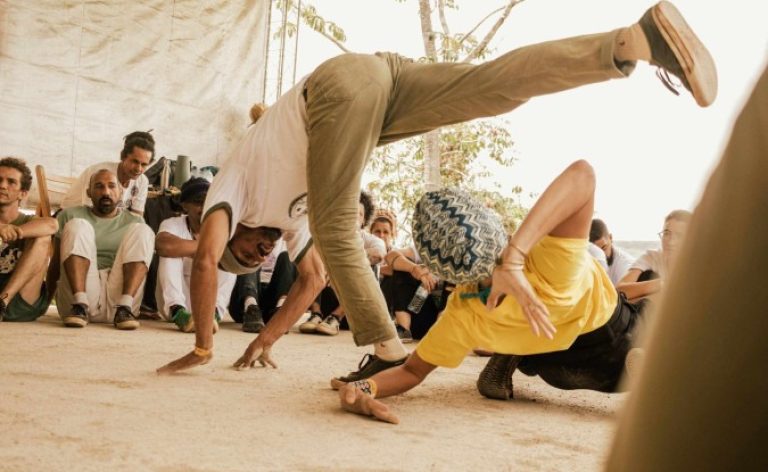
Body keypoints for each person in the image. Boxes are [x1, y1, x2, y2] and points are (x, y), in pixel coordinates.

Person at [157, 1, 717, 376]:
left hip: (332, 93)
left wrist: (205, 345)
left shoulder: (232, 186)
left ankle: (385, 350)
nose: (258, 254)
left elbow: (205, 262)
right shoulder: (288, 221)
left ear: (231, 232)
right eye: (255, 259)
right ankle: (626, 45)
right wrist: (267, 339)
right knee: (491, 88)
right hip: (382, 80)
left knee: (336, 228)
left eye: (245, 251)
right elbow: (312, 281)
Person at [337, 160, 644, 423]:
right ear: (495, 224)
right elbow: (583, 174)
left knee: (525, 340)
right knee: (659, 331)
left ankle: (508, 356)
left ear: (444, 272)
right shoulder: (548, 258)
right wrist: (514, 256)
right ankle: (652, 364)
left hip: (553, 365)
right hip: (614, 338)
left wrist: (363, 390)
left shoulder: (462, 309)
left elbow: (412, 371)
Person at [606, 63, 768, 471]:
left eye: (677, 234)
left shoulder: (706, 266)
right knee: (646, 301)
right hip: (641, 317)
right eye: (664, 232)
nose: (668, 239)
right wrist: (661, 287)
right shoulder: (651, 260)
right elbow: (623, 292)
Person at [48, 169, 154, 329]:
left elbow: (144, 263)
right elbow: (56, 262)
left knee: (143, 230)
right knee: (78, 225)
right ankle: (80, 304)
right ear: (88, 192)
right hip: (77, 302)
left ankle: (126, 308)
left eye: (112, 186)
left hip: (120, 300)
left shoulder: (134, 220)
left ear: (120, 192)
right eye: (99, 186)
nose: (106, 192)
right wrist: (45, 299)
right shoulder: (69, 215)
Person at [299, 191, 386, 336]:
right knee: (313, 257)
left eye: (358, 213)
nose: (353, 217)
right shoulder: (326, 237)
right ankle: (316, 314)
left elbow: (378, 254)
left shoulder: (372, 240)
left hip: (356, 307)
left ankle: (336, 317)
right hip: (328, 298)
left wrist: (337, 269)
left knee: (366, 263)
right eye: (350, 212)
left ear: (364, 219)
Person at [155, 177, 236, 332]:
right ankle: (178, 313)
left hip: (208, 301)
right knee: (170, 252)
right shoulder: (172, 224)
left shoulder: (222, 227)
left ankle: (214, 315)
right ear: (185, 206)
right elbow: (163, 246)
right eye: (198, 202)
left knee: (229, 259)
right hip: (176, 300)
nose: (205, 207)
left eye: (209, 202)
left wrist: (192, 249)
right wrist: (210, 248)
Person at [0, 157, 58, 322]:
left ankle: (2, 301)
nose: (3, 185)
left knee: (42, 237)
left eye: (11, 182)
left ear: (23, 193)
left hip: (21, 298)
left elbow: (52, 225)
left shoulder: (28, 221)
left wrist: (15, 231)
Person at [61, 131, 155, 215]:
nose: (138, 169)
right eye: (135, 161)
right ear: (123, 156)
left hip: (106, 222)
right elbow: (91, 213)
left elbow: (137, 216)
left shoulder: (142, 181)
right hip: (73, 216)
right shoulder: (99, 173)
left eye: (144, 164)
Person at [616, 210, 690, 304]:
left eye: (679, 236)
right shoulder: (652, 257)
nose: (671, 242)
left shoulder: (697, 266)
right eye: (666, 233)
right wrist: (661, 283)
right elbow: (619, 290)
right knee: (647, 276)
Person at [229, 238, 297, 333]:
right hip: (243, 301)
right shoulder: (253, 234)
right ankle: (251, 308)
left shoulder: (290, 239)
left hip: (273, 302)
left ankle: (280, 311)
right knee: (251, 253)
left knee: (287, 256)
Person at [589, 218, 634, 286]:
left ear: (610, 238)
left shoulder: (626, 266)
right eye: (596, 252)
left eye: (603, 248)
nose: (601, 255)